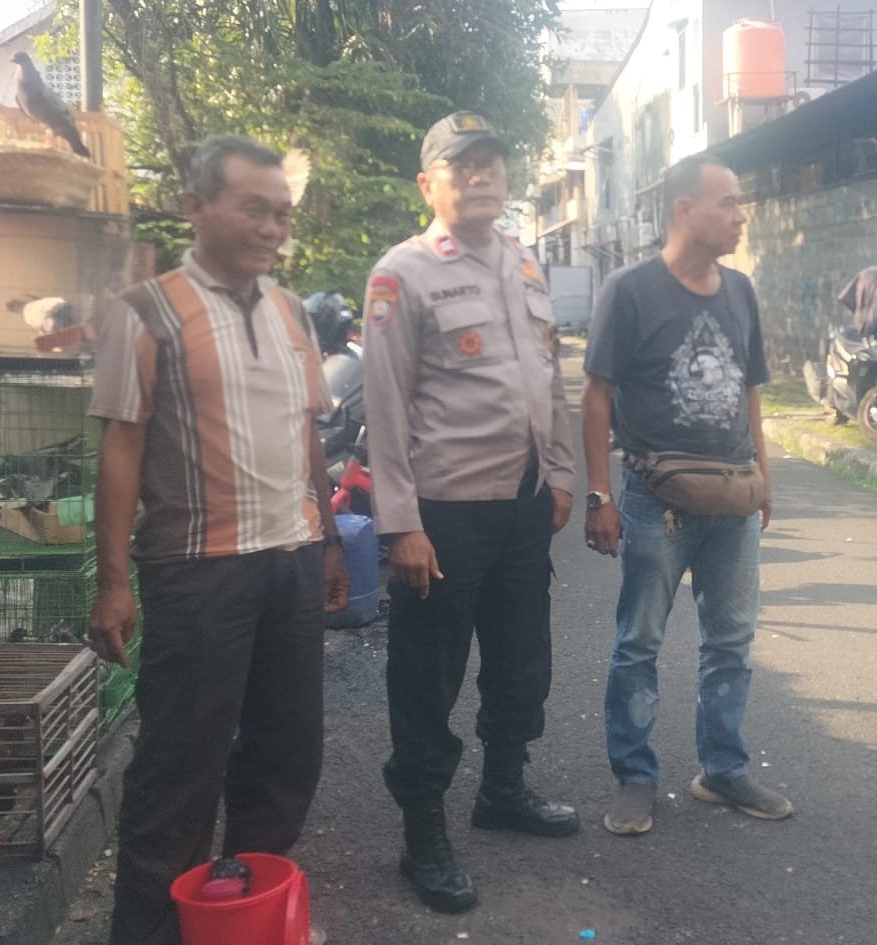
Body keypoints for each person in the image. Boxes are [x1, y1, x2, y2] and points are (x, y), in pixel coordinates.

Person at [86, 134, 350, 945]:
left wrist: (328, 538)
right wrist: (112, 581)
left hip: (291, 561)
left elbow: (307, 434)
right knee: (180, 767)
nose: (271, 228)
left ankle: (243, 914)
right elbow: (121, 444)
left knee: (285, 755)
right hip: (197, 572)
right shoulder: (145, 312)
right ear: (195, 208)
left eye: (282, 214)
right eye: (253, 209)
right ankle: (149, 932)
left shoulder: (292, 310)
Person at [362, 112, 579, 915]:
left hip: (523, 504)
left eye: (490, 162)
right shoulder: (402, 273)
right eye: (462, 167)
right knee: (427, 677)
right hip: (444, 514)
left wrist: (560, 473)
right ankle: (422, 832)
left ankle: (502, 790)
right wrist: (400, 524)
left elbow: (547, 379)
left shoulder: (524, 262)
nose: (480, 175)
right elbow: (384, 408)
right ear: (429, 184)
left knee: (522, 660)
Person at [582, 152, 794, 837]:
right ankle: (634, 777)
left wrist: (764, 477)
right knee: (638, 642)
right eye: (727, 202)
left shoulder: (740, 291)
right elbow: (597, 394)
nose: (740, 216)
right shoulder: (630, 290)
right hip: (656, 500)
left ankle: (722, 769)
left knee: (731, 641)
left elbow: (750, 390)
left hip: (733, 498)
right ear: (684, 209)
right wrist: (598, 495)